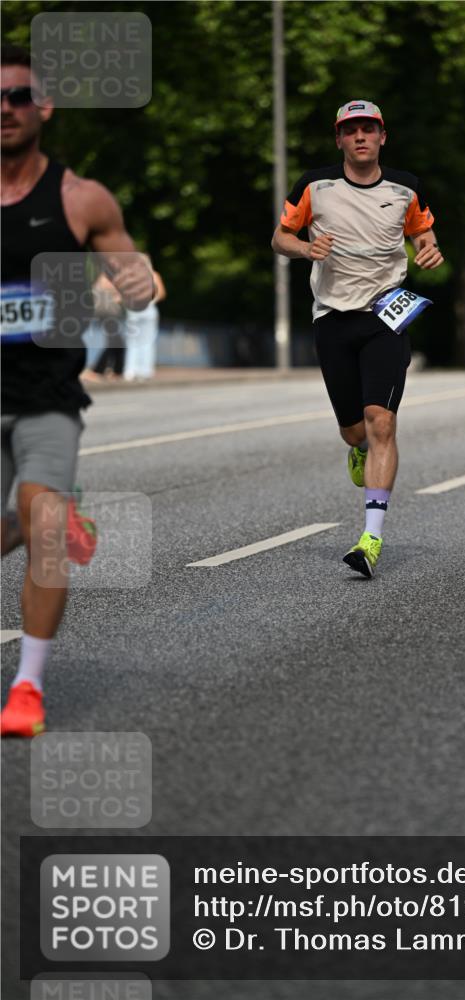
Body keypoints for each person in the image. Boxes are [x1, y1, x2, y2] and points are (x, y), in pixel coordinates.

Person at [0, 45, 154, 737]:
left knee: (44, 527)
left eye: (19, 97)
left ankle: (26, 687)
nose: (6, 109)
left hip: (47, 398)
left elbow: (134, 271)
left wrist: (138, 282)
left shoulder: (80, 198)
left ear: (45, 107)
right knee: (27, 525)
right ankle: (60, 515)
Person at [271, 100, 443, 577]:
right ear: (340, 139)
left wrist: (429, 251)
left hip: (387, 314)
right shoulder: (315, 185)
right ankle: (359, 449)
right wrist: (306, 247)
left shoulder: (406, 188)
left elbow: (424, 235)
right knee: (355, 429)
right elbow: (279, 237)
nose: (361, 137)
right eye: (352, 131)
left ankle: (370, 537)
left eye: (369, 129)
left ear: (383, 136)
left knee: (380, 421)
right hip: (332, 318)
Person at [123, 258, 166, 382]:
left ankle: (130, 371)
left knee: (133, 341)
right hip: (148, 309)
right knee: (147, 341)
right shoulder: (153, 275)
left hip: (134, 310)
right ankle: (145, 371)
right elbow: (162, 293)